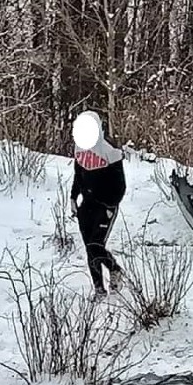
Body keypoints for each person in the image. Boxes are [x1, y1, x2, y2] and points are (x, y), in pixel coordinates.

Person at [70, 111, 126, 299]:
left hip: (105, 206)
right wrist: (73, 197)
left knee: (95, 245)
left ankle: (114, 269)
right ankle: (99, 289)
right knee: (89, 248)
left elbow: (120, 185)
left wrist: (110, 205)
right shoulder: (79, 148)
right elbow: (78, 175)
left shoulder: (109, 150)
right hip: (86, 205)